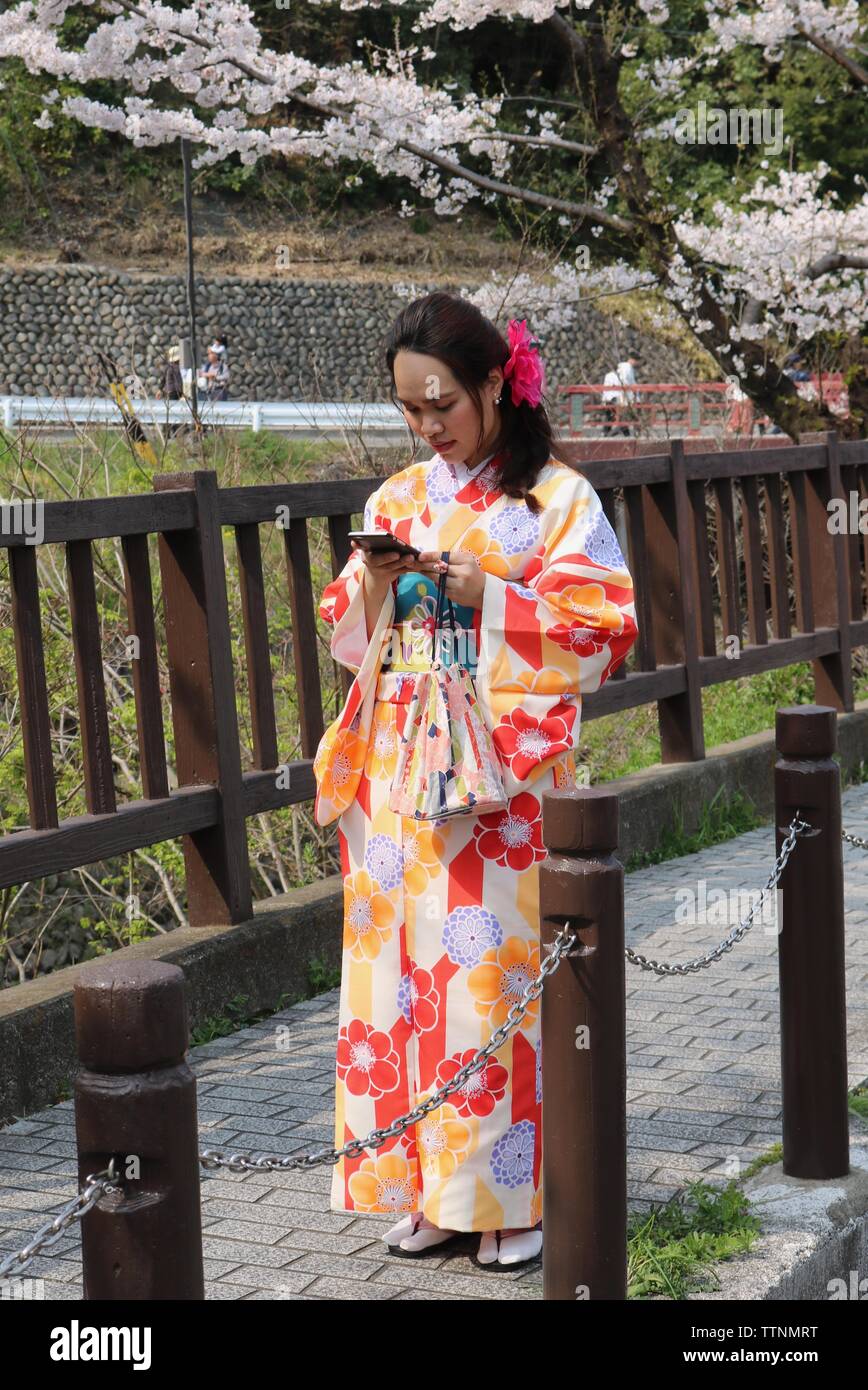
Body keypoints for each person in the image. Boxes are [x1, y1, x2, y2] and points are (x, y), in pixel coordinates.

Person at [313, 291, 639, 1269]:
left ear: (497, 382)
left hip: (503, 780)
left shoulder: (557, 501)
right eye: (411, 410)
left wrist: (485, 593)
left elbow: (601, 627)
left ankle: (509, 1195)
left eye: (442, 404)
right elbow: (348, 636)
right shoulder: (396, 499)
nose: (426, 427)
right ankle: (429, 1188)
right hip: (399, 772)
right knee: (401, 985)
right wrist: (373, 585)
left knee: (487, 981)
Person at [600, 350, 641, 435]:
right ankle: (625, 434)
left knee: (611, 416)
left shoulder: (613, 373)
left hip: (609, 396)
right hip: (619, 396)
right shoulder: (627, 368)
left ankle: (606, 433)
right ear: (634, 360)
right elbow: (625, 382)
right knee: (625, 417)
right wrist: (631, 397)